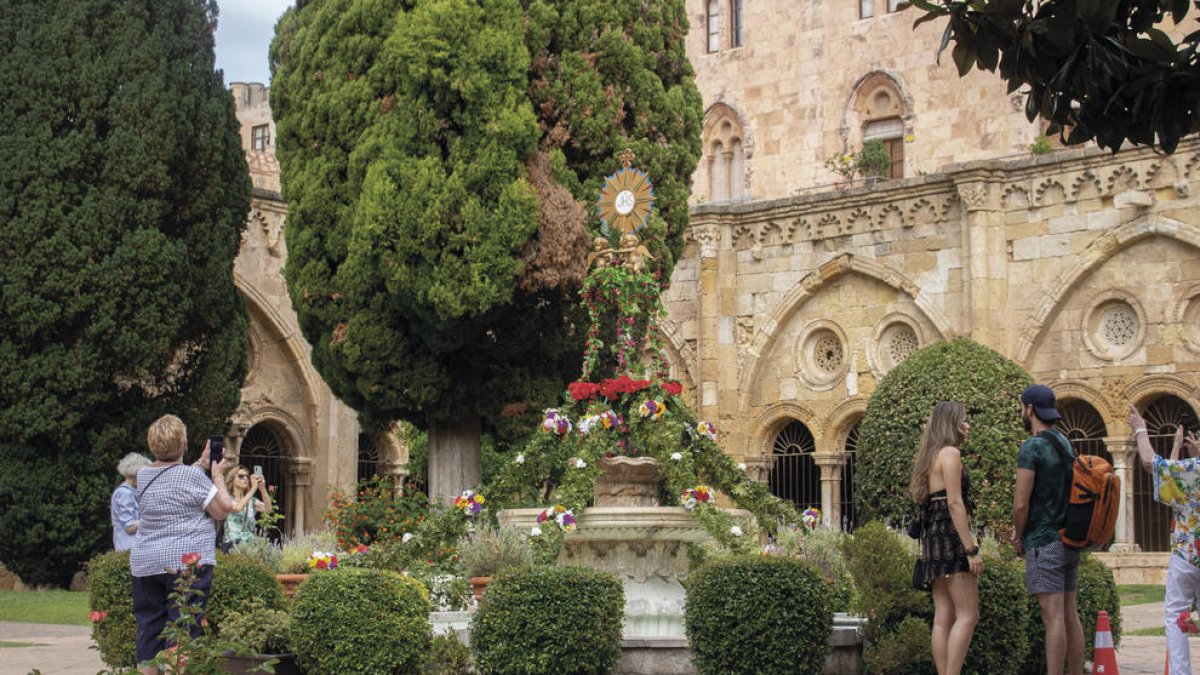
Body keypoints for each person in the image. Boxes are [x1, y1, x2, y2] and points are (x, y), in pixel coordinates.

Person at [130, 415, 233, 674]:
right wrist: (217, 475)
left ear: (153, 446)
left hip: (146, 564)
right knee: (184, 627)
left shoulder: (143, 476)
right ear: (184, 444)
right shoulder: (192, 478)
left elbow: (173, 477)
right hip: (185, 565)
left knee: (149, 629)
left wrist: (201, 463)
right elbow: (222, 510)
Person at [1011, 384, 1084, 675]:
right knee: (1069, 614)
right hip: (1069, 539)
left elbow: (1020, 504)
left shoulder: (1032, 447)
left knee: (1051, 617)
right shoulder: (1066, 444)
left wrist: (1019, 534)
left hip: (1044, 540)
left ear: (1029, 409)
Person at [910, 400, 982, 675]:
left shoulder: (930, 456)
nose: (967, 425)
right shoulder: (950, 454)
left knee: (943, 617)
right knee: (968, 615)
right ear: (951, 424)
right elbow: (955, 503)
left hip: (932, 539)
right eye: (963, 420)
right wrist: (971, 549)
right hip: (951, 540)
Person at [1129, 403, 1200, 675]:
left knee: (1175, 615)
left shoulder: (1190, 470)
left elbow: (1151, 464)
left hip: (1186, 552)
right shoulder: (1191, 468)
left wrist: (1140, 429)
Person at [220, 464, 273, 550]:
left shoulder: (252, 501)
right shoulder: (227, 499)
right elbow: (238, 508)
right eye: (241, 476)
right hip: (232, 545)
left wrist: (262, 489)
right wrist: (253, 489)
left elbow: (268, 509)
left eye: (246, 476)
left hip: (250, 545)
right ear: (232, 480)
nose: (245, 479)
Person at [111, 453, 151, 552]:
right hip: (129, 550)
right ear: (136, 473)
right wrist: (154, 519)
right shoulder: (124, 493)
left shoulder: (133, 492)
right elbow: (130, 527)